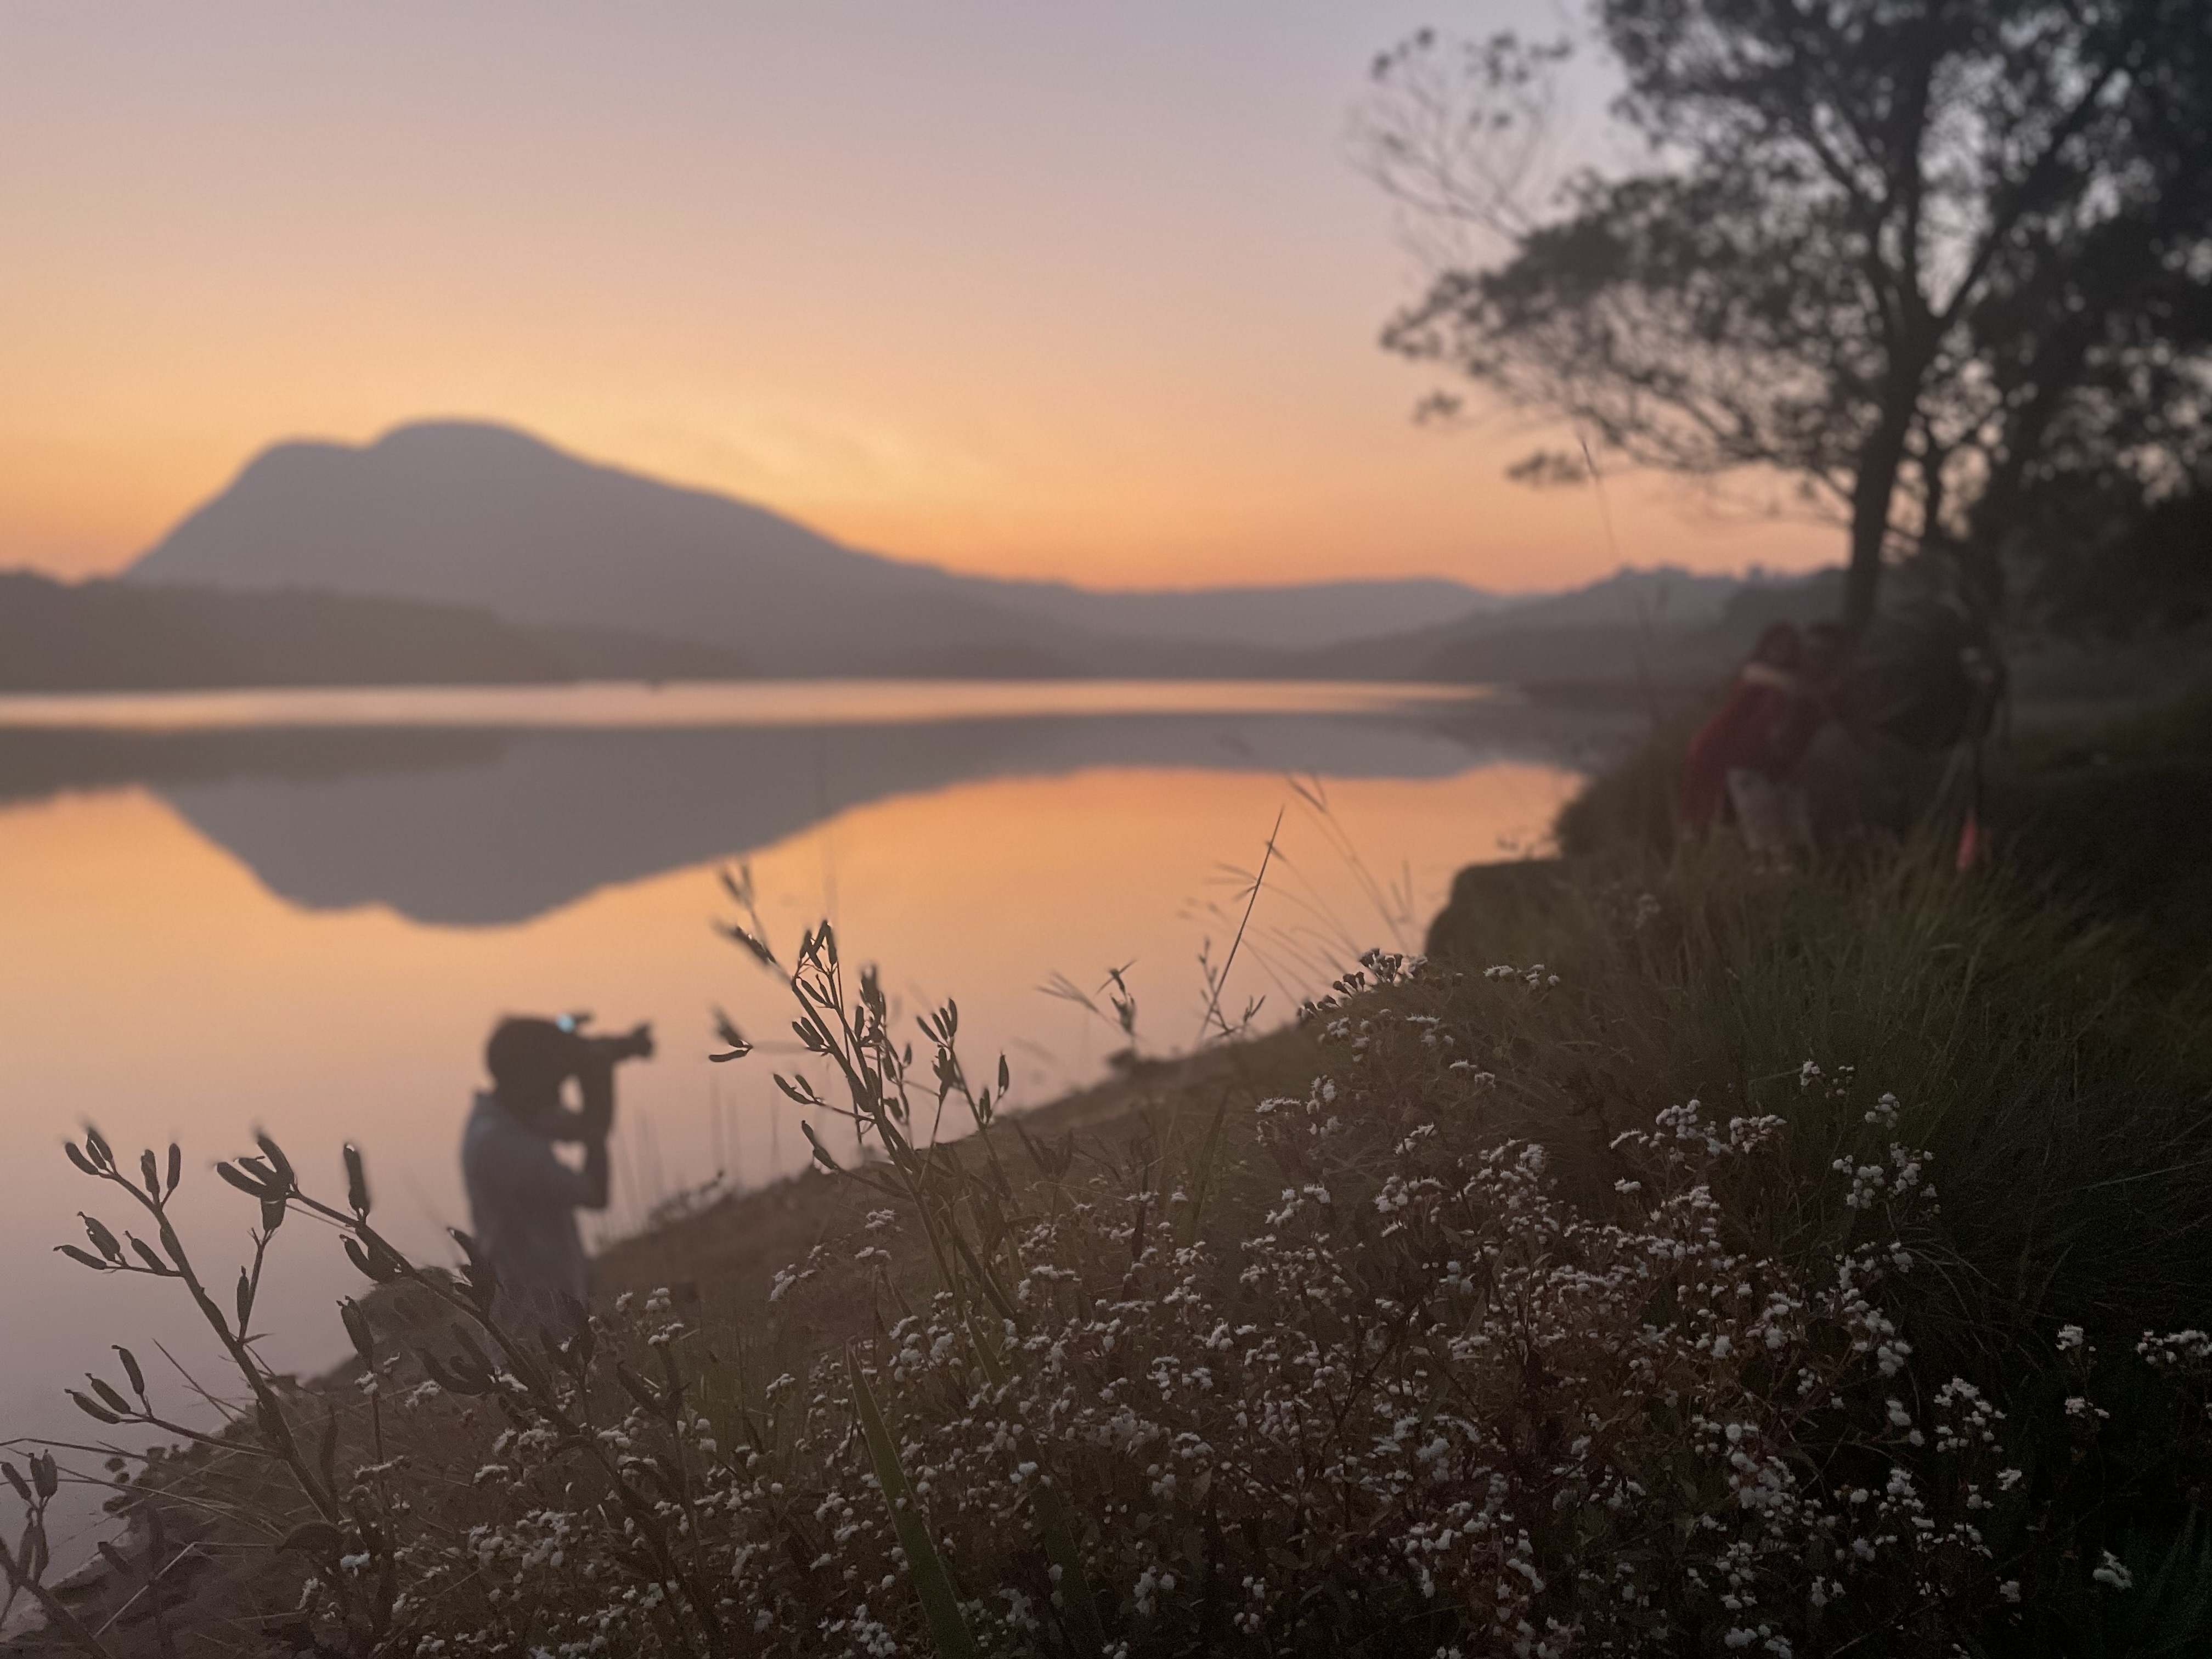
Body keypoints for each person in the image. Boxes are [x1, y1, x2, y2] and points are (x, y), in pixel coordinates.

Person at [461, 1013, 653, 1337]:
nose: (560, 1088)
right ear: (529, 1078)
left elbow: (579, 1127)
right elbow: (595, 1194)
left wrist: (592, 1058)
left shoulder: (500, 1115)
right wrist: (598, 1086)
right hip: (535, 1325)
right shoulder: (501, 1146)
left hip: (548, 1306)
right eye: (556, 1077)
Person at [1678, 622, 1818, 850]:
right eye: (1777, 645)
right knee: (1735, 822)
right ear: (1765, 646)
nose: (1782, 650)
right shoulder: (1761, 679)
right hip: (1731, 755)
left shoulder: (1780, 682)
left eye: (1788, 646)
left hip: (1750, 758)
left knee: (1749, 823)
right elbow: (1762, 724)